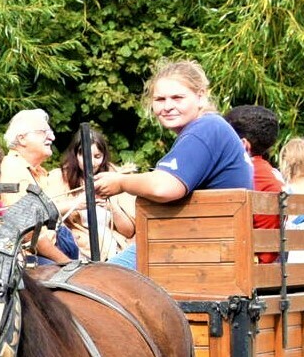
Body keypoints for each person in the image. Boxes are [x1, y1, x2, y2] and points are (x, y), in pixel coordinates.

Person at [94, 60, 252, 267]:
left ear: (201, 96)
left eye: (177, 98)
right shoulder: (209, 128)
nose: (167, 106)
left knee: (97, 282)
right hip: (208, 243)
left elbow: (164, 187)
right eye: (160, 99)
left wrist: (121, 182)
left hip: (200, 249)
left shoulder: (205, 129)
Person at [0, 109, 77, 259]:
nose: (51, 137)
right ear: (22, 139)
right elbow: (27, 231)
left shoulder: (39, 172)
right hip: (36, 258)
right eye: (43, 132)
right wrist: (65, 263)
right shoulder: (12, 169)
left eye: (50, 132)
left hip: (53, 252)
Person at [48, 133, 136, 260]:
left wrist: (113, 209)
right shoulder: (59, 177)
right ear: (76, 155)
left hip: (115, 251)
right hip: (80, 252)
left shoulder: (116, 178)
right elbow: (47, 211)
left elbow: (128, 232)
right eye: (85, 156)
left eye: (97, 156)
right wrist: (76, 204)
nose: (92, 162)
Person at [224, 104, 284, 264]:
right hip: (267, 258)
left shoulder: (248, 174)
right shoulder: (267, 171)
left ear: (243, 145)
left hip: (253, 261)